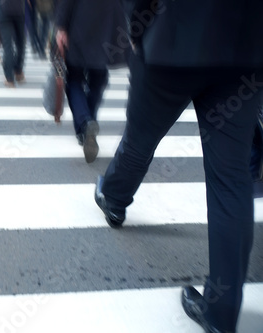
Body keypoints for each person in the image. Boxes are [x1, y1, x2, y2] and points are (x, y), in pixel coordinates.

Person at [94, 1, 263, 332]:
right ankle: (222, 314)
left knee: (140, 137)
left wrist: (138, 28)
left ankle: (114, 199)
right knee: (230, 179)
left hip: (172, 35)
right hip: (247, 49)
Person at [55, 0, 128, 163]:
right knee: (99, 79)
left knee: (74, 79)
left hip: (80, 20)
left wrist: (61, 26)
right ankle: (88, 124)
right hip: (109, 24)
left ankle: (86, 122)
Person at [0, 0, 25, 87]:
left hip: (3, 11)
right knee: (20, 43)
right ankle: (18, 71)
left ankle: (9, 78)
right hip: (19, 11)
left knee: (8, 45)